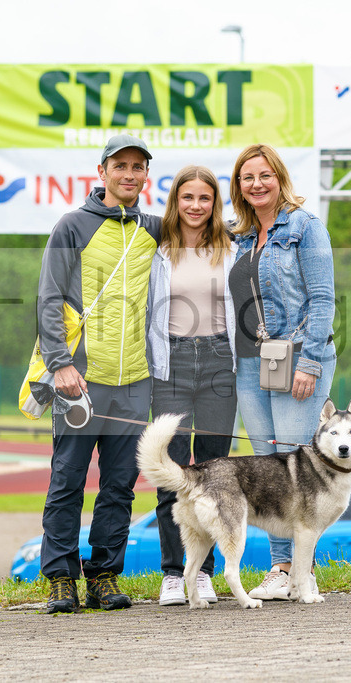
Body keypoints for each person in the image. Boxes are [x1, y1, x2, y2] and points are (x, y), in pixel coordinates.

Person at [35, 134, 161, 614]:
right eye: (120, 166)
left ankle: (104, 577)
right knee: (67, 480)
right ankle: (61, 579)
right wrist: (60, 364)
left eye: (138, 167)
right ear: (102, 171)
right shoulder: (72, 225)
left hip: (135, 383)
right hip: (79, 380)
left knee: (119, 485)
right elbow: (49, 299)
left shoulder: (154, 228)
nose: (129, 174)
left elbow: (204, 228)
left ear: (146, 176)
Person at [226, 143, 336, 601]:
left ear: (280, 178)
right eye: (247, 177)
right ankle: (281, 569)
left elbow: (323, 299)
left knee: (297, 465)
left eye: (264, 175)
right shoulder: (242, 235)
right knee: (268, 470)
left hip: (297, 358)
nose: (257, 184)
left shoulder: (305, 227)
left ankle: (302, 572)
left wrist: (309, 362)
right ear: (238, 185)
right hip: (251, 363)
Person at [148, 165, 238, 606]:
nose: (196, 206)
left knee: (215, 472)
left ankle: (203, 572)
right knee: (172, 470)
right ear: (175, 201)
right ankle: (171, 573)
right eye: (188, 198)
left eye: (205, 199)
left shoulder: (232, 248)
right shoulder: (158, 248)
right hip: (173, 362)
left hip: (222, 361)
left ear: (214, 203)